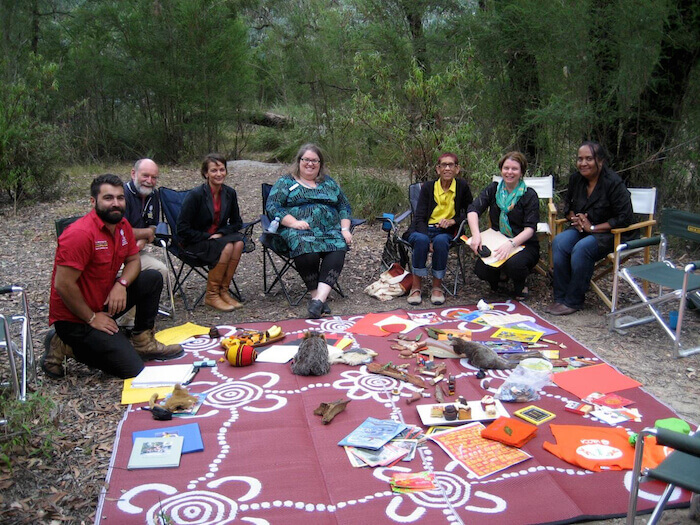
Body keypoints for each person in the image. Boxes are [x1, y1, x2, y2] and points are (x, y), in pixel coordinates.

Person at [42, 174, 184, 380]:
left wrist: (121, 284)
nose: (115, 203)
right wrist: (91, 318)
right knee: (132, 369)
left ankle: (143, 342)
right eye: (108, 198)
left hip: (103, 302)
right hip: (74, 318)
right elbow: (63, 285)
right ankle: (64, 345)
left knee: (152, 278)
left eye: (120, 198)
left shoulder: (122, 226)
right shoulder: (80, 234)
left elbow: (134, 260)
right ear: (94, 201)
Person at [266, 143, 352, 319]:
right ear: (299, 161)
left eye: (315, 160)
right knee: (304, 245)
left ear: (320, 164)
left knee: (338, 245)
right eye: (306, 159)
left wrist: (345, 228)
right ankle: (318, 297)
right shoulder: (286, 181)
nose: (310, 164)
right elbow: (272, 206)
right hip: (298, 231)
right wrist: (293, 222)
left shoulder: (328, 182)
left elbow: (343, 205)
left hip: (329, 231)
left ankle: (318, 300)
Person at [546, 141, 634, 315]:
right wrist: (575, 218)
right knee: (560, 242)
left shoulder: (613, 183)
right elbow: (568, 206)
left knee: (582, 248)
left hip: (610, 234)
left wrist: (592, 227)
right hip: (582, 229)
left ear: (600, 161)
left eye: (588, 159)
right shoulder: (575, 179)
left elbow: (624, 218)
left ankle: (573, 301)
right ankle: (560, 297)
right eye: (580, 159)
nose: (583, 163)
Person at [176, 153, 246, 312]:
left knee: (239, 243)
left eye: (222, 169)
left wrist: (221, 233)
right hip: (194, 241)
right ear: (206, 173)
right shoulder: (195, 195)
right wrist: (208, 236)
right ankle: (212, 295)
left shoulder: (229, 193)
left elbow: (237, 222)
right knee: (227, 247)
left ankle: (224, 291)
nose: (219, 174)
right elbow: (182, 229)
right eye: (214, 170)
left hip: (217, 239)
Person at [467, 151, 539, 299]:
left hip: (523, 243)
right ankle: (500, 278)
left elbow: (530, 229)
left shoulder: (529, 195)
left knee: (515, 264)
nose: (509, 172)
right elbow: (473, 210)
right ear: (501, 169)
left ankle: (520, 284)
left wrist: (511, 244)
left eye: (514, 169)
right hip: (496, 240)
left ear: (521, 172)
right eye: (506, 168)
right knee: (481, 270)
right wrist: (476, 235)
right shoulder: (493, 189)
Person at [404, 153, 473, 306]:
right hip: (423, 229)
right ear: (438, 169)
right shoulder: (428, 187)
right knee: (421, 240)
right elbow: (419, 216)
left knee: (441, 241)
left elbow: (471, 212)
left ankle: (437, 287)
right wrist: (427, 238)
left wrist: (453, 221)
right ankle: (416, 288)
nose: (447, 168)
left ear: (457, 169)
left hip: (447, 232)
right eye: (443, 165)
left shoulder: (462, 187)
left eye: (451, 165)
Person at [119, 158, 169, 327]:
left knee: (160, 270)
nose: (150, 181)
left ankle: (140, 323)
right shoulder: (121, 196)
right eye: (145, 175)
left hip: (136, 252)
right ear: (134, 173)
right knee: (135, 272)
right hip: (115, 254)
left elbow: (153, 227)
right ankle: (126, 322)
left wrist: (142, 237)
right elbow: (122, 233)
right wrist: (145, 234)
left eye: (154, 177)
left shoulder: (153, 195)